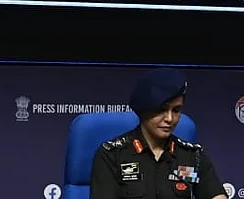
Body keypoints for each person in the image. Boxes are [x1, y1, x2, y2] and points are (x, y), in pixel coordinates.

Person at [90, 67, 228, 199]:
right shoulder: (111, 156)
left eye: (176, 110)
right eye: (162, 109)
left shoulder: (193, 156)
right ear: (143, 109)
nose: (169, 119)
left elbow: (216, 195)